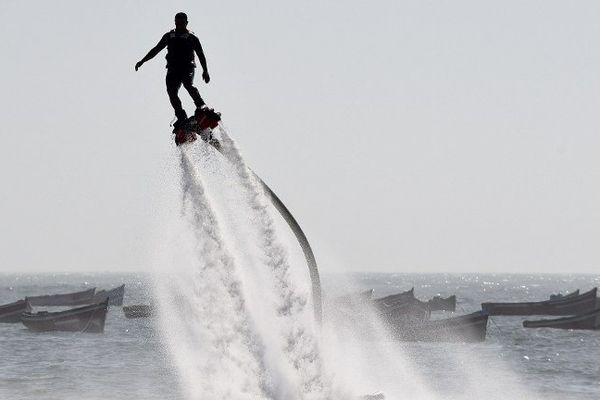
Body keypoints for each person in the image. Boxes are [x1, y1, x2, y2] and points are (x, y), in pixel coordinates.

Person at [135, 12, 210, 127]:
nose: (180, 25)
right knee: (171, 91)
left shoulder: (192, 38)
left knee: (188, 85)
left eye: (182, 23)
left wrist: (205, 70)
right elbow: (156, 50)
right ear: (175, 22)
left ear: (186, 23)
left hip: (187, 67)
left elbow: (201, 55)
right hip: (173, 69)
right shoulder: (169, 36)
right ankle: (181, 116)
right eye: (178, 23)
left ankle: (201, 106)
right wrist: (143, 61)